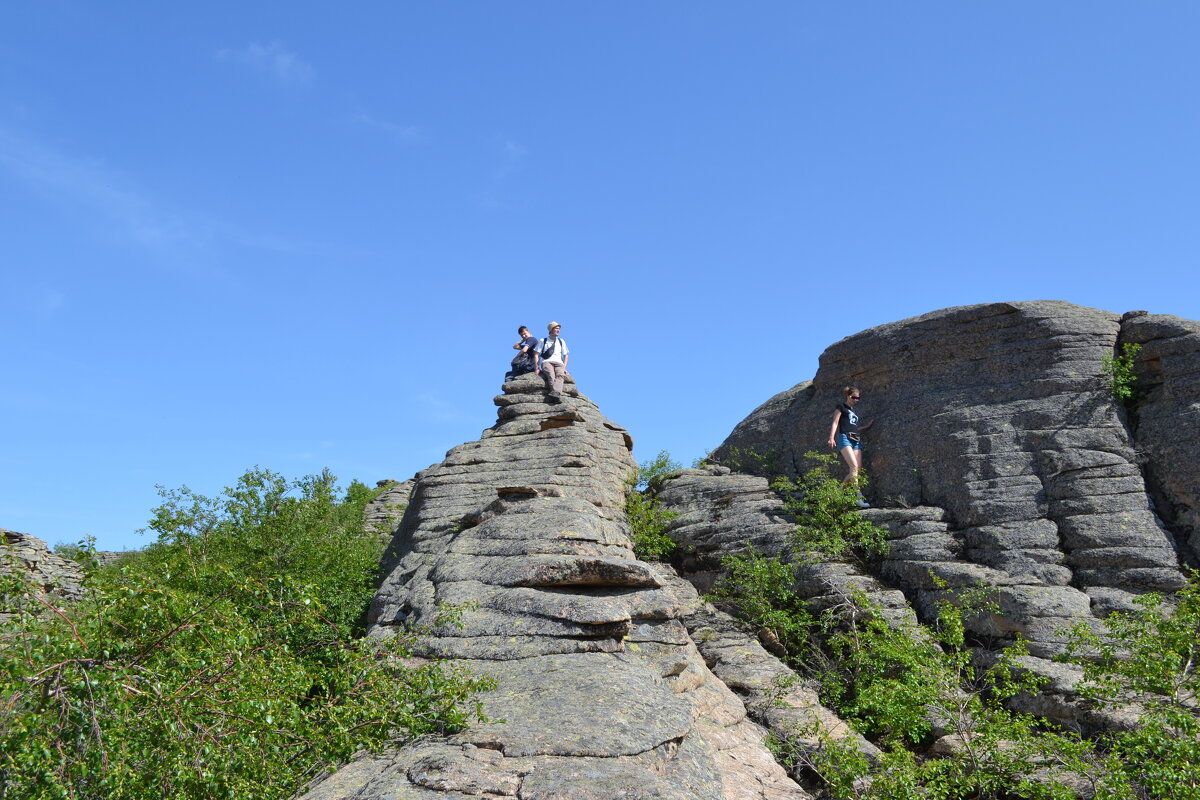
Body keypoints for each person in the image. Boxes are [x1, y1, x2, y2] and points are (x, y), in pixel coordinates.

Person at [827, 385, 875, 508]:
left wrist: (866, 427)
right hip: (844, 438)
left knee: (857, 470)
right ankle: (858, 498)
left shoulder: (853, 411)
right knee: (853, 466)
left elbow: (853, 426)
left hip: (856, 439)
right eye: (854, 397)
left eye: (858, 398)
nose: (856, 400)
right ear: (848, 396)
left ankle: (839, 491)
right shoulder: (841, 407)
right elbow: (835, 422)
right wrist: (831, 437)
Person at [534, 321, 569, 401]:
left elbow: (566, 355)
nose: (558, 330)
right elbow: (536, 354)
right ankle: (556, 394)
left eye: (559, 329)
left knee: (560, 375)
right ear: (551, 330)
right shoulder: (543, 341)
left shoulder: (561, 341)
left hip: (559, 362)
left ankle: (555, 394)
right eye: (556, 328)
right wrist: (537, 368)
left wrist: (564, 367)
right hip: (546, 362)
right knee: (551, 375)